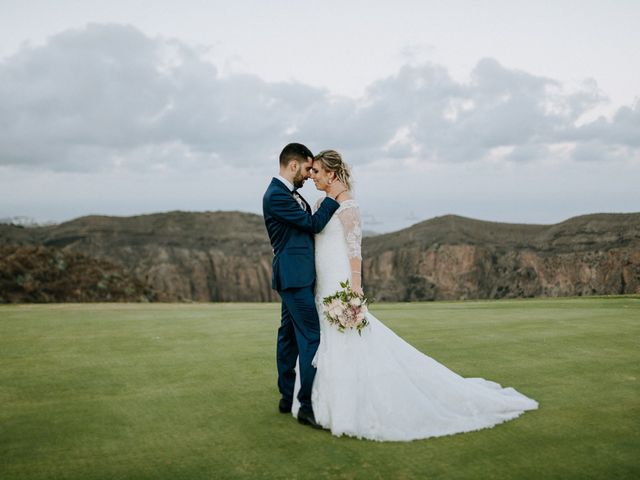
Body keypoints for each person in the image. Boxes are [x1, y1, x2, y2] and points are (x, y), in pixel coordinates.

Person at [290, 149, 539, 441]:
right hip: (322, 283)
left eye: (316, 172)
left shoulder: (348, 207)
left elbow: (355, 251)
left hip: (340, 283)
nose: (312, 177)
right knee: (324, 342)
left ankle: (350, 407)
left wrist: (355, 288)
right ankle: (320, 403)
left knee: (347, 342)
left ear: (331, 174)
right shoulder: (321, 202)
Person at [262, 143, 348, 429]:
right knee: (311, 337)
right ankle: (307, 405)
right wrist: (334, 198)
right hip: (294, 277)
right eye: (308, 169)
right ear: (294, 165)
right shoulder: (276, 196)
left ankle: (287, 398)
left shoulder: (290, 194)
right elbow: (312, 225)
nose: (310, 175)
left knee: (287, 336)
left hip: (297, 277)